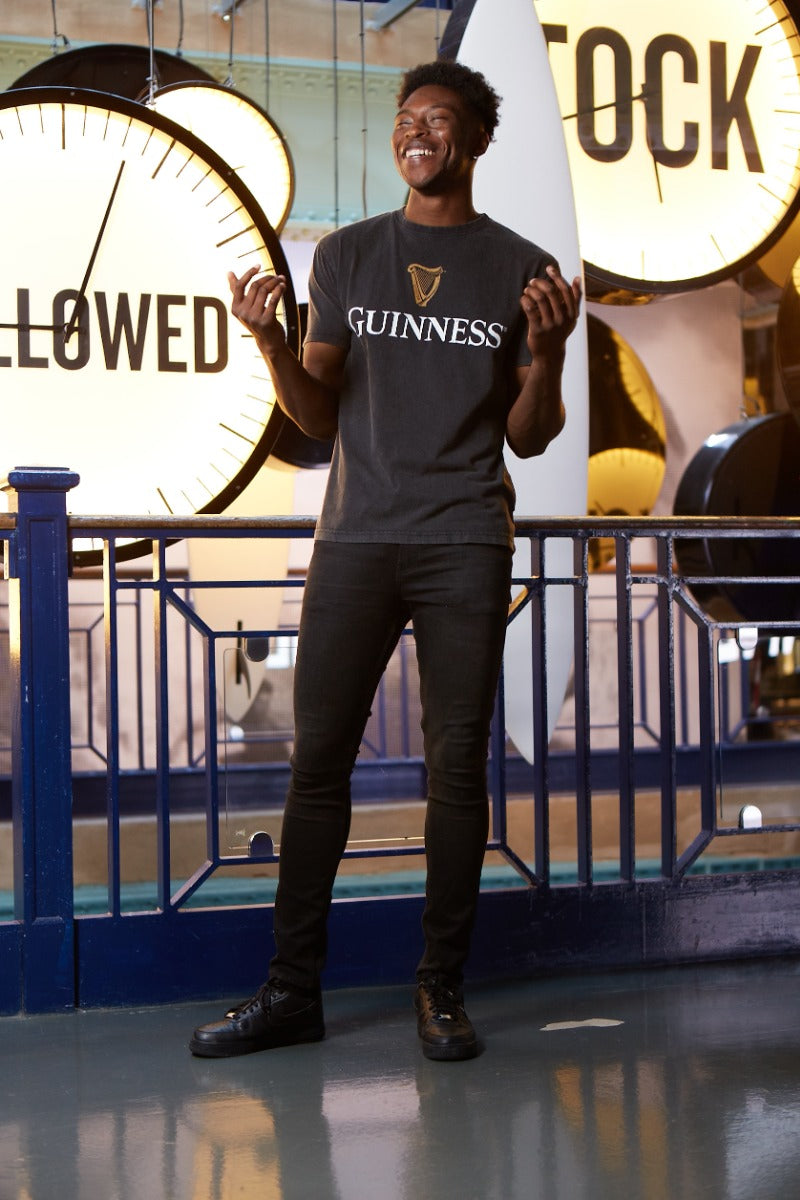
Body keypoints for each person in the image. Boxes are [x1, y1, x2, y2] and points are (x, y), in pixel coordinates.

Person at [190, 58, 582, 1063]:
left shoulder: (523, 269)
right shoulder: (351, 258)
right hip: (355, 537)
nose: (415, 133)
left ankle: (438, 992)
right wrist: (270, 343)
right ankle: (290, 993)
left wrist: (551, 356)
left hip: (461, 539)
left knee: (455, 767)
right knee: (317, 764)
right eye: (405, 119)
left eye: (437, 120)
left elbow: (532, 438)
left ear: (475, 141)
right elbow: (316, 414)